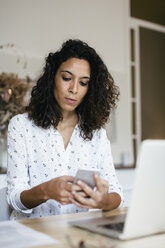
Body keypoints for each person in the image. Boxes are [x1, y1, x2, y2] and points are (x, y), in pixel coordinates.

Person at [7, 39, 124, 220]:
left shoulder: (97, 134)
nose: (74, 89)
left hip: (79, 234)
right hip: (33, 235)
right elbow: (14, 198)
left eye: (83, 83)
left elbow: (116, 194)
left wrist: (103, 201)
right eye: (67, 78)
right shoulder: (22, 126)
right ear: (52, 78)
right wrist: (46, 191)